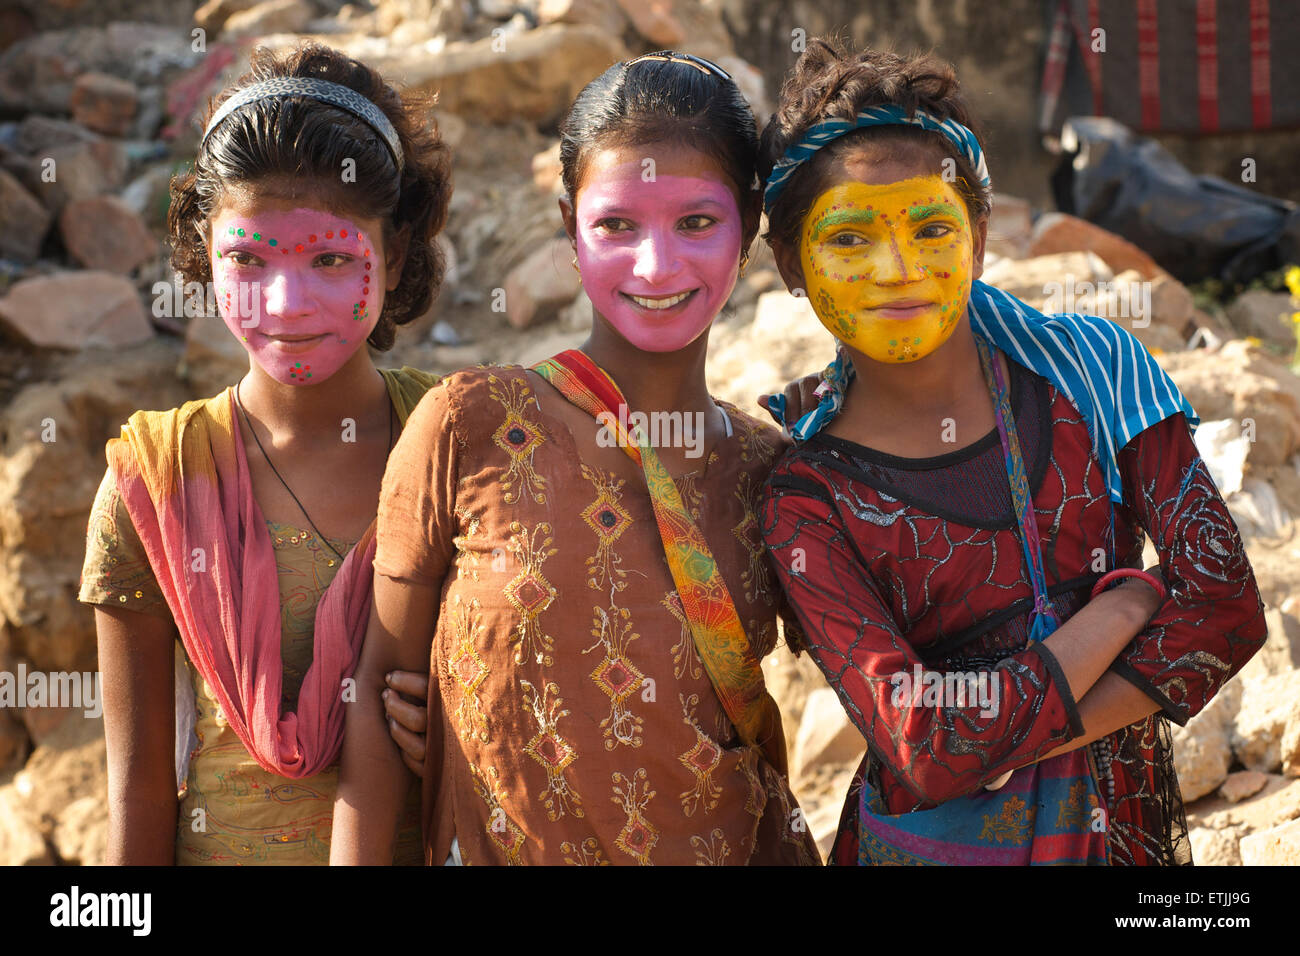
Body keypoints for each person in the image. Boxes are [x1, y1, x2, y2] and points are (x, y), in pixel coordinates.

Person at [756, 38, 1266, 865]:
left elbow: (1226, 609)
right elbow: (925, 742)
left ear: (980, 234)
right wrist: (1128, 605)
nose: (898, 269)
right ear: (790, 261)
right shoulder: (805, 494)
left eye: (931, 228)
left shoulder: (1094, 373)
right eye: (850, 240)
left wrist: (1010, 742)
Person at [331, 51, 821, 866]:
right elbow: (377, 710)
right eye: (616, 225)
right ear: (568, 227)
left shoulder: (773, 472)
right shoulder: (469, 424)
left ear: (752, 220)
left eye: (696, 222)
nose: (656, 266)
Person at [79, 42, 452, 864]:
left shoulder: (461, 444)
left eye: (330, 259)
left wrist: (466, 720)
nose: (288, 304)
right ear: (204, 255)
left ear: (393, 258)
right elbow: (138, 794)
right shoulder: (157, 482)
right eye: (248, 258)